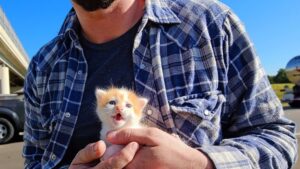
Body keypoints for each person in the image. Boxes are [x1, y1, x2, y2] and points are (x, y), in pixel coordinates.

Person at [23, 0, 297, 168]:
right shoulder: (43, 66)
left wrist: (199, 164)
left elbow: (277, 138)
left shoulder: (211, 25)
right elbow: (34, 161)